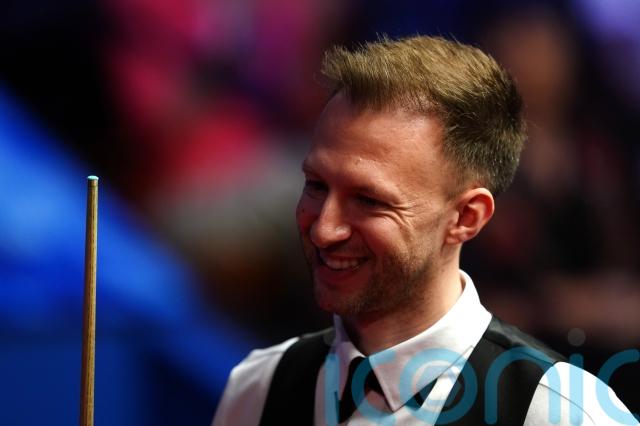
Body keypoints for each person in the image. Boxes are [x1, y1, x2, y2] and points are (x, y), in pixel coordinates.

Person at [212, 36, 637, 425]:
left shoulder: (562, 413)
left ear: (466, 217)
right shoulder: (259, 387)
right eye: (316, 185)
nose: (324, 229)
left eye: (369, 200)